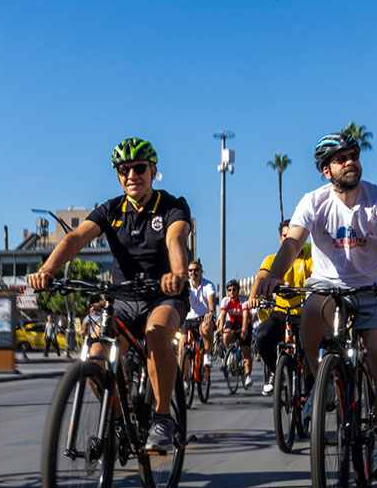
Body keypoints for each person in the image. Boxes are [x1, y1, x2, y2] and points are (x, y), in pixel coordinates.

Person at [255, 133, 377, 478]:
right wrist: (272, 275)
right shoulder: (313, 202)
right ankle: (322, 381)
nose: (349, 162)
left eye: (353, 156)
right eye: (340, 158)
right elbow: (292, 244)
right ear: (326, 170)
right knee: (311, 314)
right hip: (329, 287)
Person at [28, 138, 190, 453]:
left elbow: (176, 237)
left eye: (139, 168)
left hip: (163, 295)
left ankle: (162, 417)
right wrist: (47, 270)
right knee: (95, 358)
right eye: (123, 169)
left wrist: (177, 274)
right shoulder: (111, 209)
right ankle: (117, 420)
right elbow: (75, 238)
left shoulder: (172, 205)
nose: (131, 175)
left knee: (156, 333)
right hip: (123, 299)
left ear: (153, 169)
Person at [251, 220, 314, 395]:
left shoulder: (308, 258)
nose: (291, 240)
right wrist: (253, 297)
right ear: (280, 239)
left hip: (304, 314)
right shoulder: (273, 260)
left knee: (308, 352)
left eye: (294, 236)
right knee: (262, 337)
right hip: (281, 313)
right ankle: (275, 371)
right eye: (286, 236)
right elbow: (261, 277)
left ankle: (312, 395)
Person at [182, 261, 218, 369]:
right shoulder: (185, 286)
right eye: (190, 270)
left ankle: (207, 354)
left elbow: (211, 300)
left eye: (196, 270)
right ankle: (184, 380)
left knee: (206, 326)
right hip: (188, 319)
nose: (193, 272)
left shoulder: (208, 285)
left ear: (201, 272)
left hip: (204, 317)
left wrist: (211, 312)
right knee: (181, 347)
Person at [218, 280, 252, 387]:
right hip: (231, 323)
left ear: (238, 290)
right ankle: (228, 351)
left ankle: (247, 376)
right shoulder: (225, 300)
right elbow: (223, 315)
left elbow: (246, 316)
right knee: (226, 333)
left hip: (244, 323)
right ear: (227, 292)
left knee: (246, 351)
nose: (232, 292)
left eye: (234, 289)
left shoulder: (243, 301)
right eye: (229, 290)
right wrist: (220, 328)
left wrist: (244, 329)